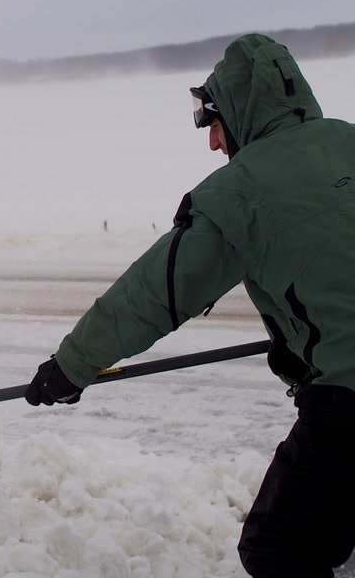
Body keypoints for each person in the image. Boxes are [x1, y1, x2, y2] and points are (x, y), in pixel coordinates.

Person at [23, 33, 355, 577]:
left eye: (213, 124)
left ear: (240, 111)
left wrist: (70, 367)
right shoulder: (349, 139)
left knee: (280, 550)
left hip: (349, 396)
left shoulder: (239, 192)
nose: (212, 143)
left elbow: (155, 294)